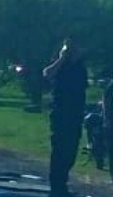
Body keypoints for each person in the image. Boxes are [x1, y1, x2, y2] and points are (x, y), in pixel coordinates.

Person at [42, 38, 88, 197]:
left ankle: (62, 182)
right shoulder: (61, 66)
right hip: (60, 114)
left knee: (71, 151)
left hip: (75, 114)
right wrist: (62, 58)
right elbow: (47, 73)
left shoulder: (81, 68)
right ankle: (56, 186)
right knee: (59, 150)